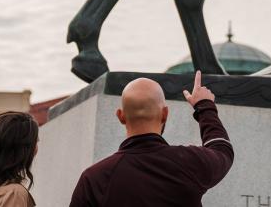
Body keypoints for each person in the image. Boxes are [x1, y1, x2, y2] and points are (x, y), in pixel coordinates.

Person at [68, 71, 233, 207]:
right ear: (165, 114)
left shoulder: (93, 179)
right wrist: (204, 106)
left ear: (121, 116)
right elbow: (222, 149)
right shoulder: (189, 163)